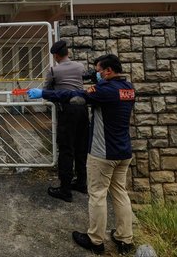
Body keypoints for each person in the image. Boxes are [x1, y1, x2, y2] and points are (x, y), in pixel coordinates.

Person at [28, 54, 135, 255]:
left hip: (103, 153)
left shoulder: (104, 90)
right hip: (124, 151)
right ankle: (124, 238)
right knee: (120, 194)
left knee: (97, 195)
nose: (97, 74)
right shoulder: (128, 89)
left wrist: (43, 92)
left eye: (99, 70)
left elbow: (72, 95)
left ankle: (95, 240)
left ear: (108, 71)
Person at [44, 40, 89, 202]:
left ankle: (65, 189)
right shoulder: (80, 67)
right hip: (83, 109)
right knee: (81, 148)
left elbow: (46, 90)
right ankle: (82, 183)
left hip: (67, 111)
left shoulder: (53, 71)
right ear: (67, 53)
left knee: (66, 149)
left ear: (56, 55)